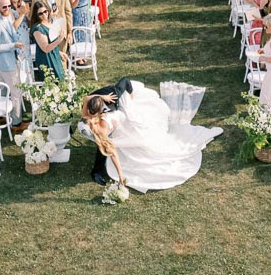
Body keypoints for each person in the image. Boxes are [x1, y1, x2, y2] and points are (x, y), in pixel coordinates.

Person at [81, 81, 223, 193]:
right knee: (124, 142)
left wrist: (104, 97)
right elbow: (113, 154)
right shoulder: (99, 126)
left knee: (140, 132)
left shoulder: (106, 101)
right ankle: (97, 170)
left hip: (121, 114)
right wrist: (120, 175)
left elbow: (88, 98)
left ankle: (98, 168)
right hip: (116, 122)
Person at [0, 0, 26, 127]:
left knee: (2, 88)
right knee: (16, 92)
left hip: (10, 59)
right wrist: (13, 45)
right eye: (4, 6)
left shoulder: (6, 15)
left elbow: (12, 31)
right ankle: (16, 123)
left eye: (9, 6)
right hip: (5, 62)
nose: (7, 8)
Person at [30, 1, 67, 82]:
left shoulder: (50, 22)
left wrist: (59, 52)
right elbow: (45, 48)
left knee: (60, 78)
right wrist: (59, 40)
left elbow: (51, 42)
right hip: (46, 58)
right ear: (36, 15)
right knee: (52, 82)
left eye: (45, 11)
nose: (44, 15)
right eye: (40, 13)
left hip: (54, 55)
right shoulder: (38, 29)